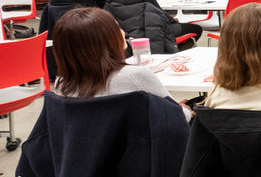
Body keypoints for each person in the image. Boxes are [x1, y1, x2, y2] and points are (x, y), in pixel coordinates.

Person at [51, 7, 190, 120]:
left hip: (89, 152)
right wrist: (186, 109)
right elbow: (180, 117)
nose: (123, 32)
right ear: (106, 41)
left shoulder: (62, 83)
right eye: (116, 28)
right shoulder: (134, 76)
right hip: (145, 151)